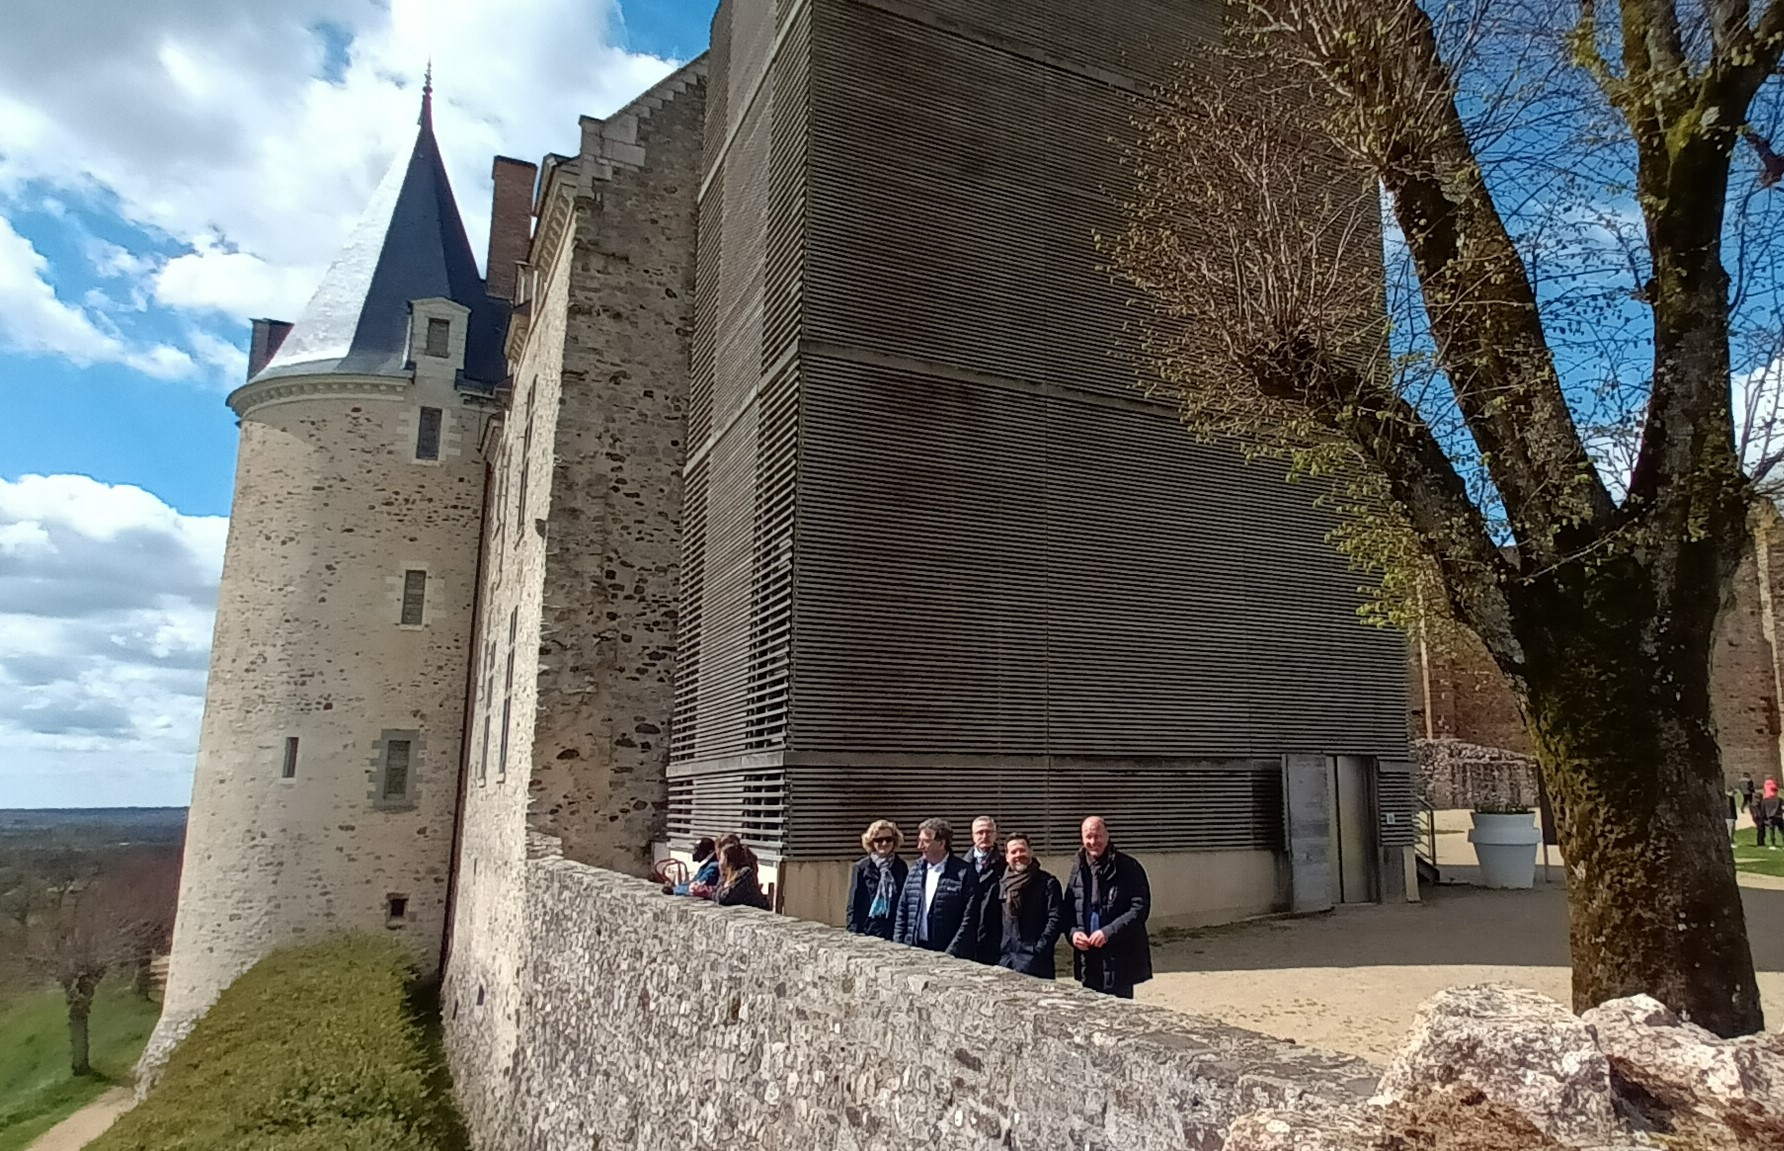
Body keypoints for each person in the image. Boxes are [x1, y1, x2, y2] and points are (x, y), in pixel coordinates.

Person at [1066, 815, 1153, 999]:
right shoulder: (1078, 868)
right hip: (1088, 957)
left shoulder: (1128, 867)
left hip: (1119, 955)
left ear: (1107, 836)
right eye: (1088, 837)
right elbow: (1069, 908)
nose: (1093, 841)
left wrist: (1108, 932)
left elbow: (1139, 909)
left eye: (1097, 836)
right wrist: (1073, 933)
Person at [893, 818, 979, 958]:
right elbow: (903, 911)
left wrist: (951, 953)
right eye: (919, 840)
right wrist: (899, 946)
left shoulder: (964, 873)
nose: (919, 846)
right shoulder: (915, 870)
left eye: (925, 841)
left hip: (949, 954)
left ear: (941, 843)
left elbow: (969, 919)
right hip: (915, 950)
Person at [996, 833, 1064, 978]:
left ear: (1031, 852)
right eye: (1013, 852)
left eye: (1022, 850)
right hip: (1005, 961)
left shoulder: (1047, 883)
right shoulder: (1002, 884)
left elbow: (1055, 919)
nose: (1018, 855)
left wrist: (1038, 949)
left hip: (1036, 962)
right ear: (1007, 857)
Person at [847, 820, 908, 939]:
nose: (884, 843)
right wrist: (853, 933)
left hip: (893, 931)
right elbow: (853, 904)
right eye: (879, 840)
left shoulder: (900, 866)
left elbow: (905, 900)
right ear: (871, 842)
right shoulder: (861, 867)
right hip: (868, 930)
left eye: (888, 839)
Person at [964, 815, 1006, 964]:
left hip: (995, 937)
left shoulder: (1006, 866)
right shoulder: (962, 866)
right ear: (973, 836)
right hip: (968, 938)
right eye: (980, 832)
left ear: (995, 834)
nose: (984, 836)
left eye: (989, 832)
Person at [713, 841, 770, 909]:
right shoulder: (730, 875)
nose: (719, 862)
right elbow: (715, 895)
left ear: (727, 860)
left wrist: (722, 875)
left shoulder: (745, 873)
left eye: (721, 858)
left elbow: (724, 899)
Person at [1758, 779, 1784, 850]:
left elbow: (1763, 810)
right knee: (1782, 831)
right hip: (1778, 817)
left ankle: (1773, 844)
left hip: (1770, 818)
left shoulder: (1765, 801)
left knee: (1772, 832)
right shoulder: (1779, 799)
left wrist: (1763, 818)